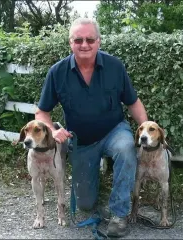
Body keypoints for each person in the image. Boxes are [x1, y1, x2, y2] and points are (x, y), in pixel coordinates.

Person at [35, 18, 148, 237]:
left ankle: (119, 214)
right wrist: (52, 130)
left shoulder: (115, 66)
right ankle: (101, 190)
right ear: (70, 43)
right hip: (82, 141)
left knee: (126, 149)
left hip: (115, 131)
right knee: (86, 203)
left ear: (99, 42)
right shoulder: (57, 72)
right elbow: (41, 112)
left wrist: (145, 127)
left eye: (90, 39)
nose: (84, 44)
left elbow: (133, 102)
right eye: (78, 40)